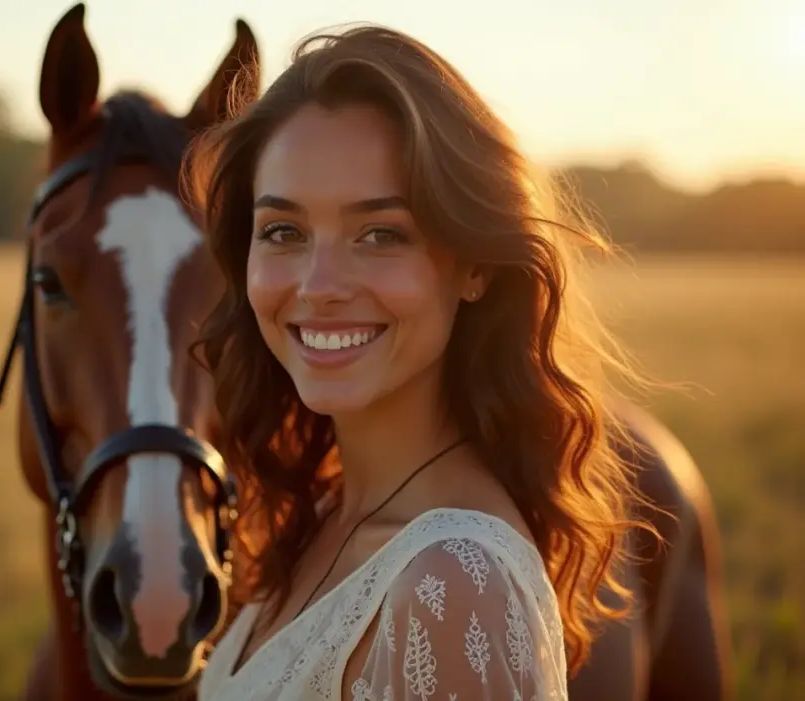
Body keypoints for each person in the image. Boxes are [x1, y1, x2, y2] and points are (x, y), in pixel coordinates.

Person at [186, 22, 652, 701]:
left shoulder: (455, 586)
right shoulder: (321, 513)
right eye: (283, 231)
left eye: (380, 233)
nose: (317, 286)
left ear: (475, 267)